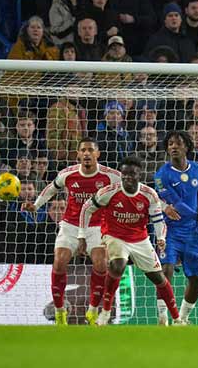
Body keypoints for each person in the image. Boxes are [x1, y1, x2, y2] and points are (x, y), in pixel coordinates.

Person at [21, 137, 121, 325]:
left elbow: (131, 188)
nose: (86, 153)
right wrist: (35, 205)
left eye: (90, 150)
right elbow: (51, 189)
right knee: (59, 262)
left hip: (97, 226)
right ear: (78, 154)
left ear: (97, 154)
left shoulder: (111, 176)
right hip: (71, 225)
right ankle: (59, 312)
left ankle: (92, 309)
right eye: (83, 150)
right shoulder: (68, 174)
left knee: (101, 264)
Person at [77, 156, 181, 325]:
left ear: (139, 175)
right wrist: (82, 235)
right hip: (114, 236)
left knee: (159, 278)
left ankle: (176, 318)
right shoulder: (109, 192)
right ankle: (105, 312)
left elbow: (158, 220)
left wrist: (161, 237)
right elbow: (87, 209)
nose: (127, 177)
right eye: (124, 173)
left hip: (140, 239)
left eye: (131, 174)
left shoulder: (149, 194)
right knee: (118, 265)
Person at [153, 131, 198, 325]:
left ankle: (182, 318)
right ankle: (163, 317)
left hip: (192, 233)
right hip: (169, 231)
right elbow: (174, 202)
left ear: (187, 147)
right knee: (165, 271)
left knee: (197, 279)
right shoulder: (161, 175)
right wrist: (195, 215)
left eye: (178, 143)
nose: (173, 147)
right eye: (170, 144)